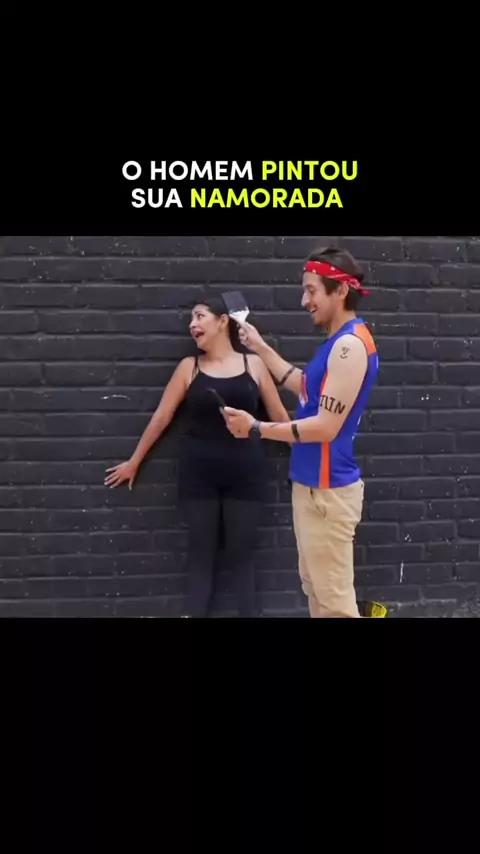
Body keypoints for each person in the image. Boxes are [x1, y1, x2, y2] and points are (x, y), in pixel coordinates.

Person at [104, 296, 290, 618]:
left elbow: (280, 418)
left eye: (200, 316)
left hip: (246, 476)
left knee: (243, 557)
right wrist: (135, 461)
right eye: (191, 318)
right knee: (201, 556)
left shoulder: (255, 365)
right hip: (198, 478)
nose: (192, 324)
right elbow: (162, 416)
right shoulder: (189, 367)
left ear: (223, 321)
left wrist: (310, 458)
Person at [221, 245, 379, 619]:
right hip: (313, 489)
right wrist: (259, 346)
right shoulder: (337, 343)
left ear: (340, 290)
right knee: (318, 594)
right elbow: (304, 386)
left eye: (311, 290)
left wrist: (256, 428)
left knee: (335, 604)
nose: (304, 300)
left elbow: (325, 426)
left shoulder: (349, 347)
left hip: (327, 493)